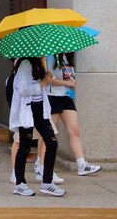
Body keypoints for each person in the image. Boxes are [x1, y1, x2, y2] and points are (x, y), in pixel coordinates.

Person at [34, 53, 102, 179]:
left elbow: (68, 76)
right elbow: (49, 80)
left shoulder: (67, 57)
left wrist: (71, 82)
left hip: (66, 97)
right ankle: (41, 165)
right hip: (51, 97)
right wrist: (68, 83)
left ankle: (82, 164)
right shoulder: (48, 56)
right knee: (48, 134)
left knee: (74, 130)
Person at [10, 56, 65, 197]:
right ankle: (20, 184)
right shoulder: (25, 64)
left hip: (41, 109)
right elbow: (23, 89)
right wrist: (43, 82)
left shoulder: (38, 63)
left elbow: (39, 87)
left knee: (51, 143)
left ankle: (47, 182)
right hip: (28, 109)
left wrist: (46, 80)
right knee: (25, 146)